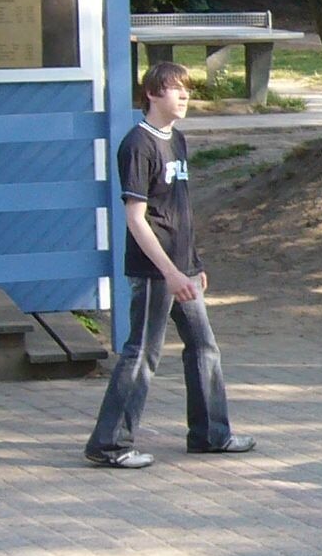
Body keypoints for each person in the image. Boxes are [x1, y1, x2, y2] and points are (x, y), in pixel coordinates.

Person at [85, 62, 251, 468]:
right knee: (141, 353)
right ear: (153, 94)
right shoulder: (138, 145)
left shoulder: (176, 140)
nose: (184, 97)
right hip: (155, 272)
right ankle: (109, 445)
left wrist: (191, 264)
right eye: (176, 90)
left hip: (183, 269)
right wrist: (170, 272)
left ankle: (211, 434)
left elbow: (178, 210)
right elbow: (137, 219)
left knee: (203, 347)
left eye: (187, 91)